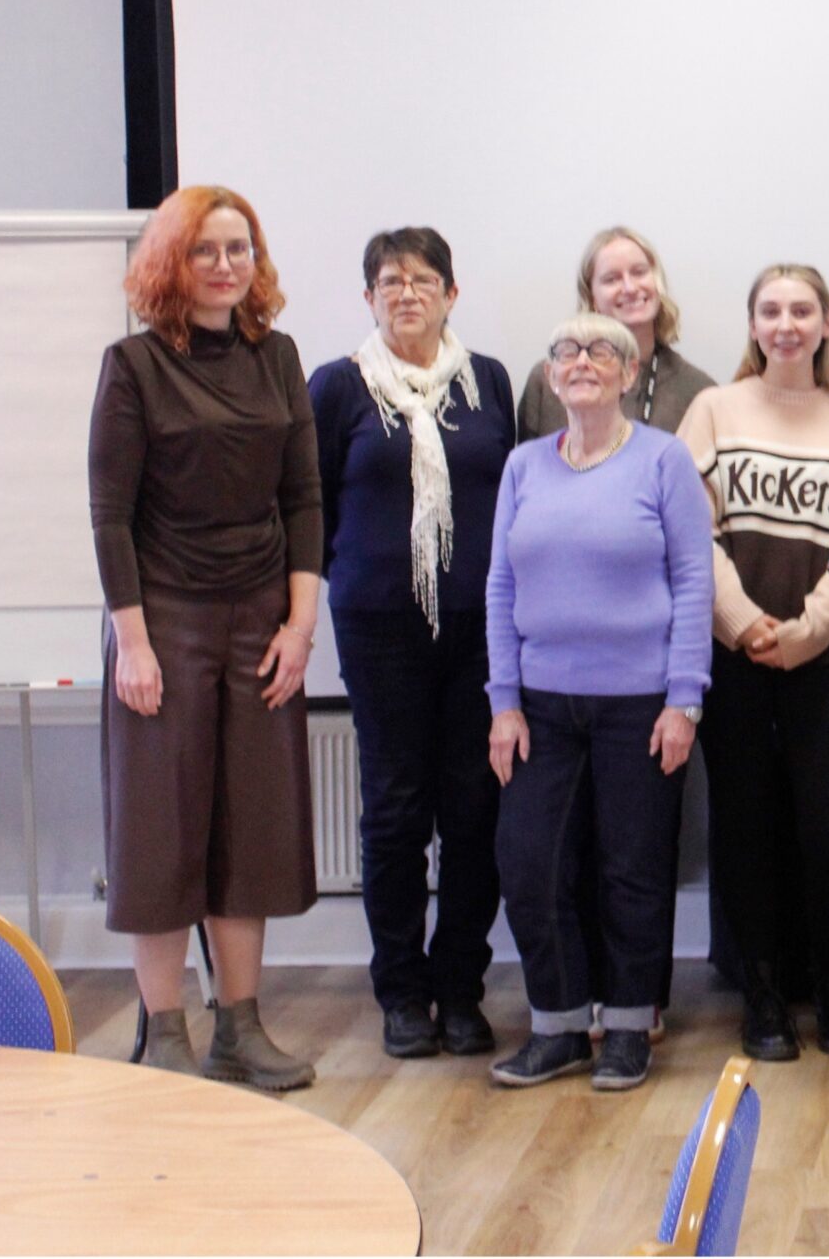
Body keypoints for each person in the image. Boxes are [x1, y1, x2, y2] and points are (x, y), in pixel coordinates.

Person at [88, 185, 322, 1088]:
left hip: (260, 620)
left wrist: (300, 626)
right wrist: (133, 645)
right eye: (206, 250)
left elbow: (303, 497)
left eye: (241, 249)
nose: (227, 266)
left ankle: (241, 1028)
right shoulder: (133, 366)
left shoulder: (279, 357)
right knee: (161, 833)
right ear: (170, 263)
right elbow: (110, 516)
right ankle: (166, 1033)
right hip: (164, 619)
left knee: (250, 830)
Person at [484, 312, 713, 1093]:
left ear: (627, 371)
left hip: (640, 703)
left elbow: (693, 581)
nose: (584, 362)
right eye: (568, 351)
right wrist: (503, 701)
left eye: (603, 351)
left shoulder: (664, 459)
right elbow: (500, 587)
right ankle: (556, 1026)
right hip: (540, 705)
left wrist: (685, 698)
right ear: (551, 376)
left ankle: (624, 1025)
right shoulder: (523, 466)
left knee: (632, 868)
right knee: (529, 863)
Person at [309, 228, 513, 1060]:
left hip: (480, 630)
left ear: (451, 293)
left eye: (423, 280)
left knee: (474, 809)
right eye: (389, 281)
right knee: (395, 811)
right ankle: (400, 990)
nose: (406, 294)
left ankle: (460, 987)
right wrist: (363, 574)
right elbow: (309, 506)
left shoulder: (488, 381)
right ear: (368, 297)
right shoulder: (339, 386)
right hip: (381, 628)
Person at [677, 264, 829, 1063]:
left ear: (827, 320)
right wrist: (744, 623)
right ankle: (762, 1004)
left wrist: (810, 629)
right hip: (736, 662)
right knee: (748, 831)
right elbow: (694, 532)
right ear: (753, 324)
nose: (787, 323)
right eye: (771, 310)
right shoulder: (714, 410)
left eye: (802, 309)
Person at [517, 226, 714, 440]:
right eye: (611, 279)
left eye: (639, 272)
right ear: (592, 298)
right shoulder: (551, 381)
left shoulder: (698, 392)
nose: (629, 288)